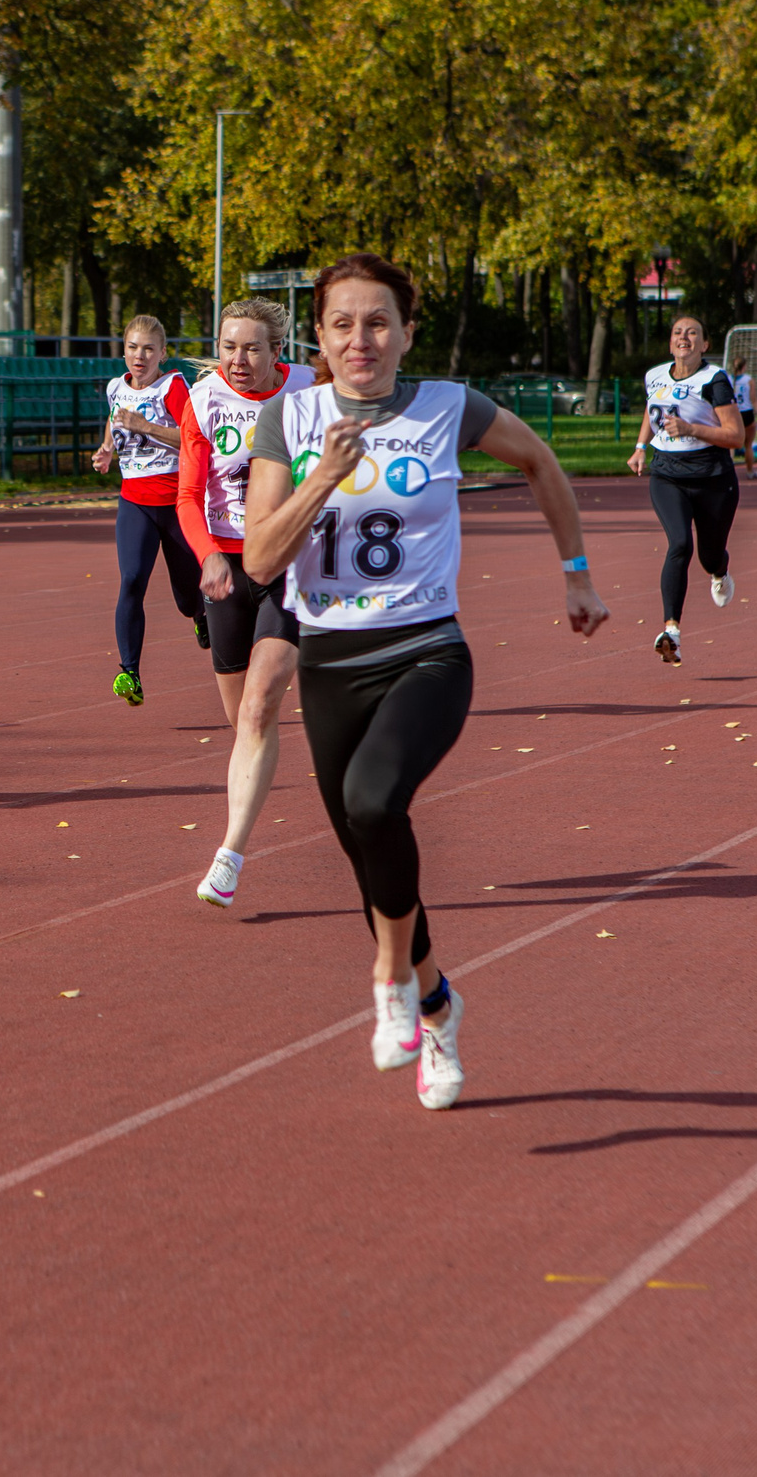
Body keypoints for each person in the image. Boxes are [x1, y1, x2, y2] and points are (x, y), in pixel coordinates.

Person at [243, 252, 607, 1111]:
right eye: (342, 324)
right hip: (330, 659)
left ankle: (389, 980)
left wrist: (577, 572)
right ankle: (438, 1005)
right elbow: (259, 558)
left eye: (378, 322)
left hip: (426, 651)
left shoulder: (449, 408)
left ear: (407, 333)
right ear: (319, 337)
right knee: (373, 857)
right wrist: (322, 476)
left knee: (374, 803)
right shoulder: (290, 419)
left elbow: (540, 460)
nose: (361, 339)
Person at [175, 298, 315, 909]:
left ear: (277, 351)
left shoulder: (310, 390)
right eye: (228, 346)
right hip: (226, 569)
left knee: (260, 706)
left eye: (252, 347)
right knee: (245, 725)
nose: (238, 358)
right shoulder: (203, 399)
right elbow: (187, 494)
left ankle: (228, 857)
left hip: (288, 563)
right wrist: (207, 555)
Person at [92, 314, 206, 705]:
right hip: (135, 503)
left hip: (176, 503)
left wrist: (145, 427)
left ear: (162, 353)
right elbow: (115, 417)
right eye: (132, 348)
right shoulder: (116, 387)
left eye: (148, 349)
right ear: (123, 350)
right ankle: (130, 673)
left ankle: (200, 616)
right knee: (132, 580)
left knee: (186, 597)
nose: (139, 356)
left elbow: (192, 438)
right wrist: (107, 449)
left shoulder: (171, 387)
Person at [629, 315, 746, 667]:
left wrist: (691, 428)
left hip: (713, 478)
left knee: (709, 556)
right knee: (679, 544)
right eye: (678, 332)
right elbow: (652, 410)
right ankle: (672, 631)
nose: (684, 337)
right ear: (670, 343)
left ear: (704, 344)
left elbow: (736, 436)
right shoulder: (655, 375)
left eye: (692, 333)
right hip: (667, 475)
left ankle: (719, 572)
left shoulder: (714, 380)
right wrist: (640, 447)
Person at [728, 355, 757, 478]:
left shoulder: (728, 379)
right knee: (748, 445)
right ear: (744, 366)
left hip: (733, 412)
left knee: (731, 445)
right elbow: (754, 399)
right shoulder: (748, 380)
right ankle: (750, 471)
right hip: (747, 413)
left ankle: (730, 472)